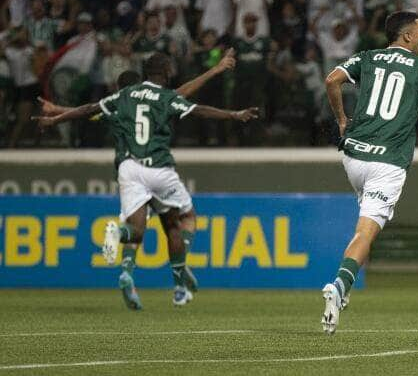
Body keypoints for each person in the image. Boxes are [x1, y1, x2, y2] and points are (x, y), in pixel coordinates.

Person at [34, 53, 258, 307]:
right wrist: (233, 114)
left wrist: (55, 118)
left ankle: (120, 241)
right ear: (164, 70)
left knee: (136, 231)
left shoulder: (123, 97)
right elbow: (199, 110)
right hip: (158, 168)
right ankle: (180, 278)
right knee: (183, 219)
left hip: (129, 169)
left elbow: (89, 110)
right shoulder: (165, 97)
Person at [321, 11, 418, 334]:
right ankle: (339, 286)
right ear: (406, 36)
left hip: (354, 156)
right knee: (366, 232)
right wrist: (413, 104)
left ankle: (342, 287)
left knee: (363, 228)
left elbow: (331, 80)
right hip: (387, 161)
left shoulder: (368, 57)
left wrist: (342, 120)